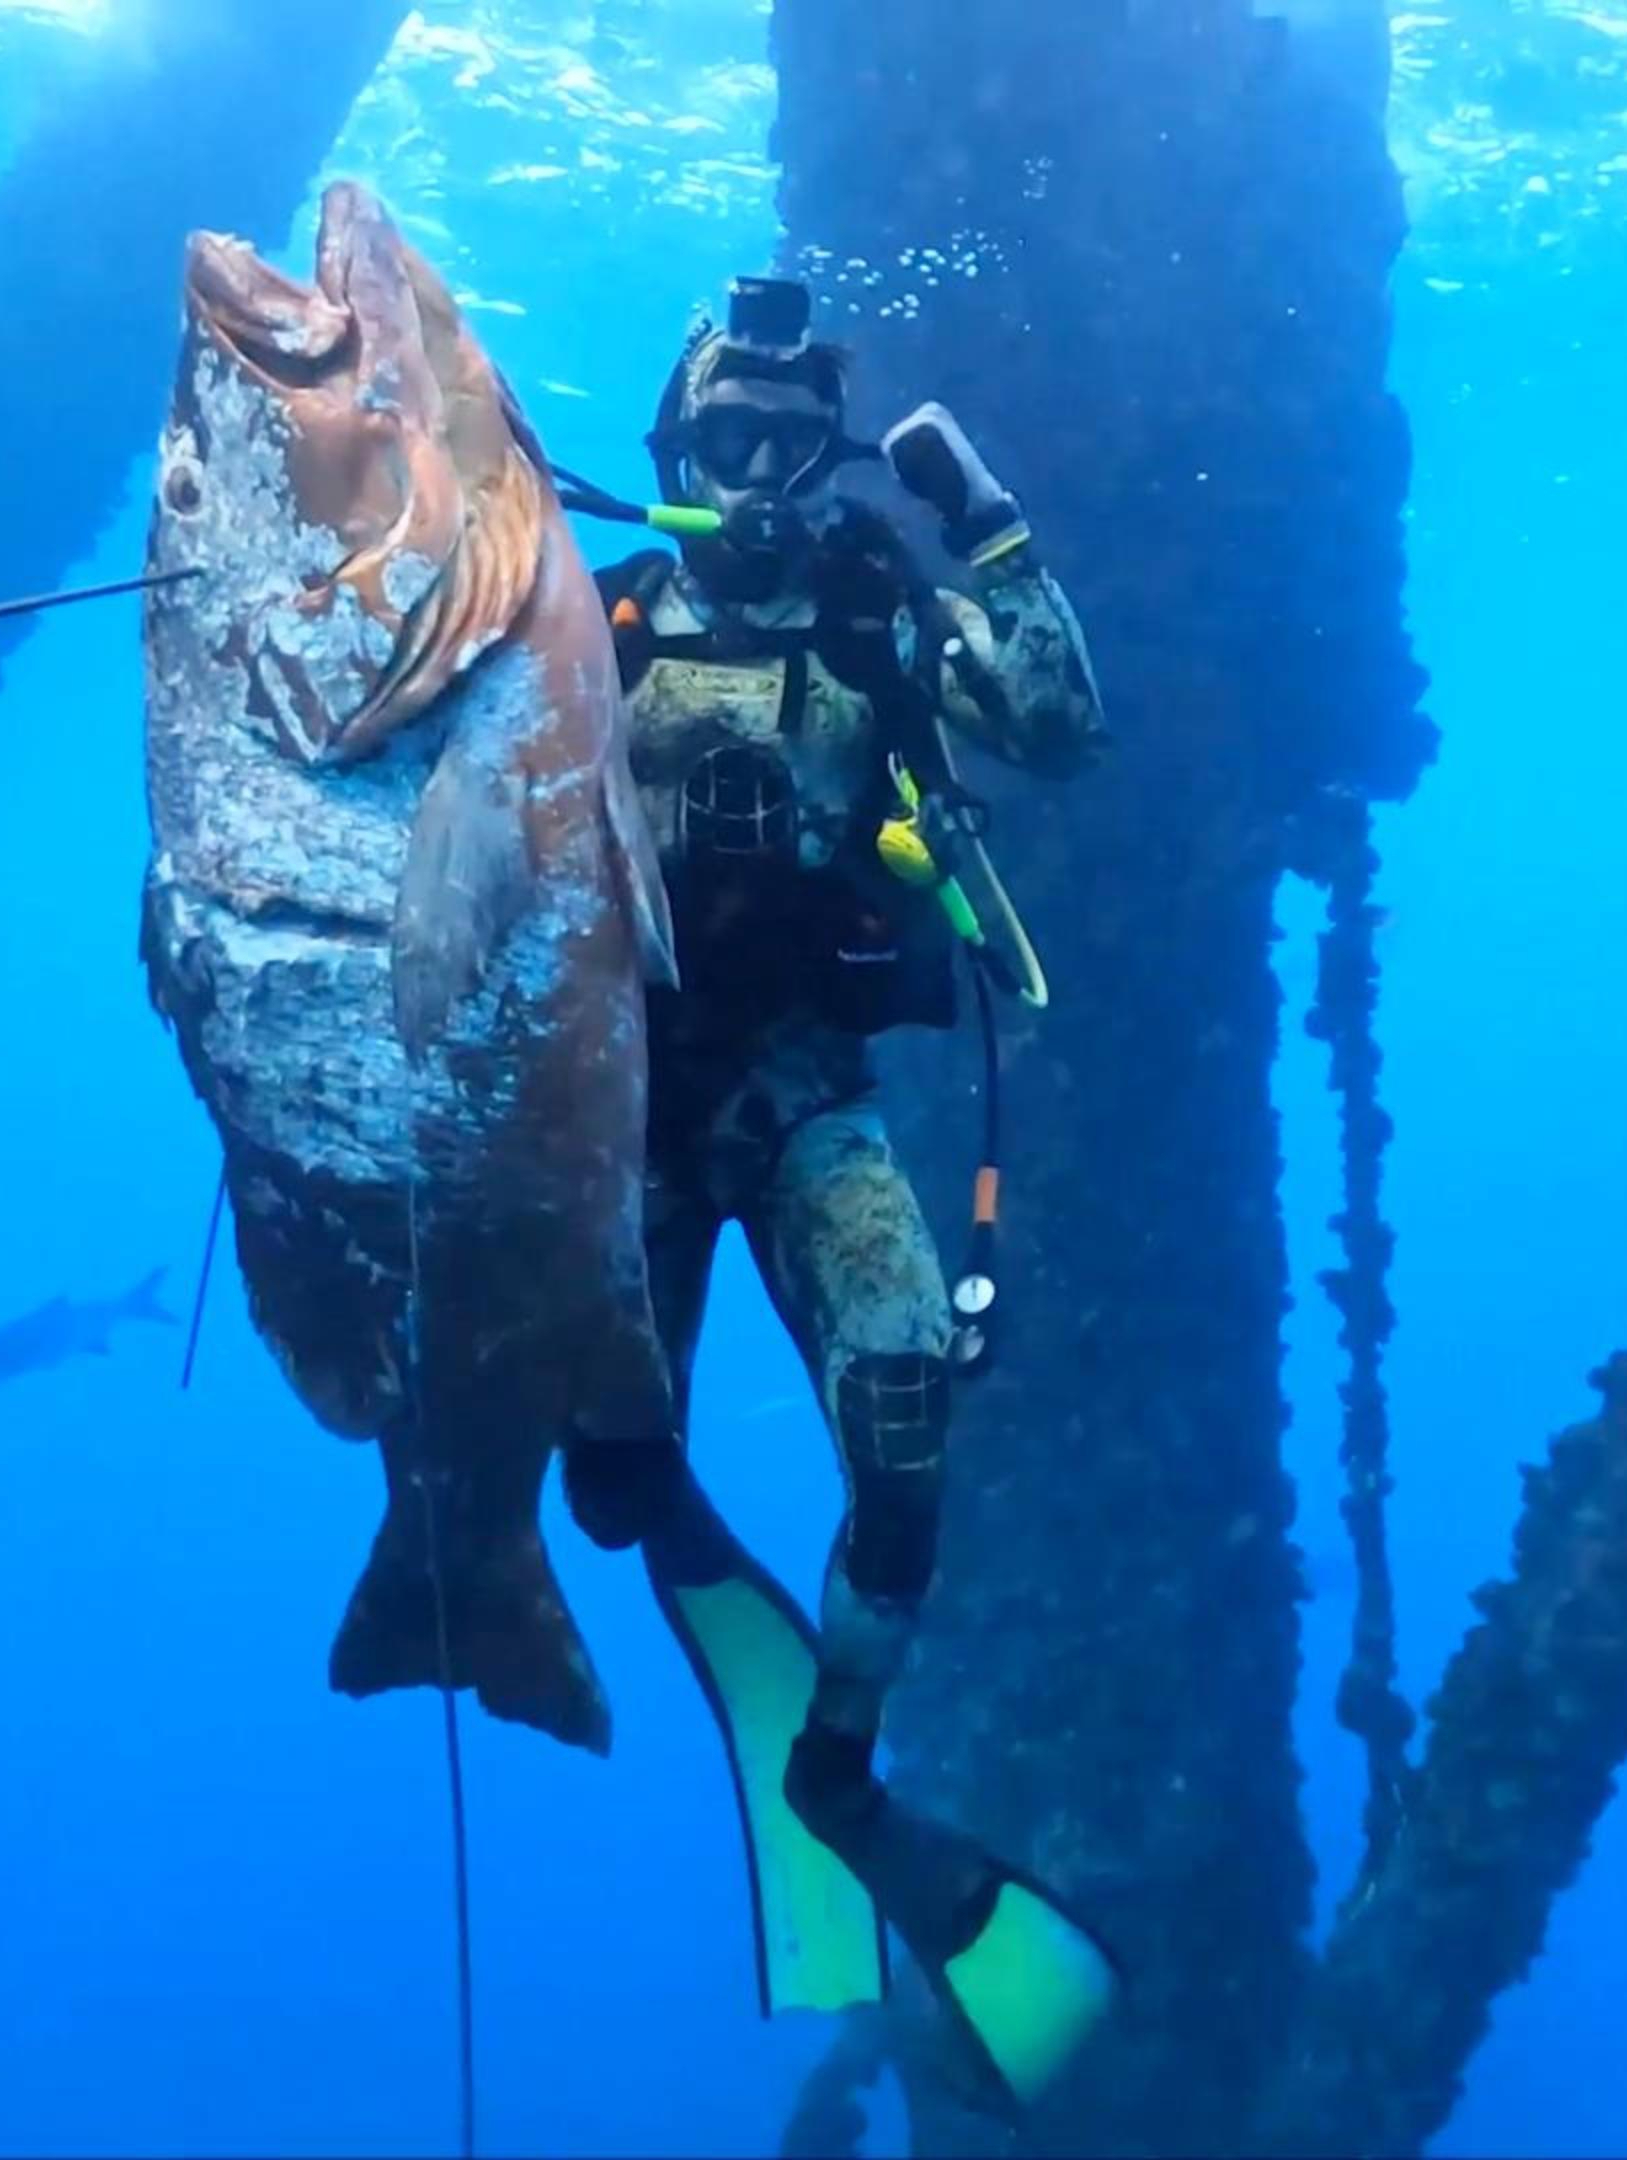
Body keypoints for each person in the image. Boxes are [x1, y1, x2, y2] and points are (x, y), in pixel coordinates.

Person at [558, 275, 1119, 2113]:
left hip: (808, 1098)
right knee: (613, 1485)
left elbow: (1056, 727)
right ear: (674, 456)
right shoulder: (596, 614)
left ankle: (844, 1774)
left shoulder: (883, 614)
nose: (760, 479)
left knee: (903, 1423)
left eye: (792, 447)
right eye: (725, 445)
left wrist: (988, 523)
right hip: (630, 1110)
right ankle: (716, 1596)